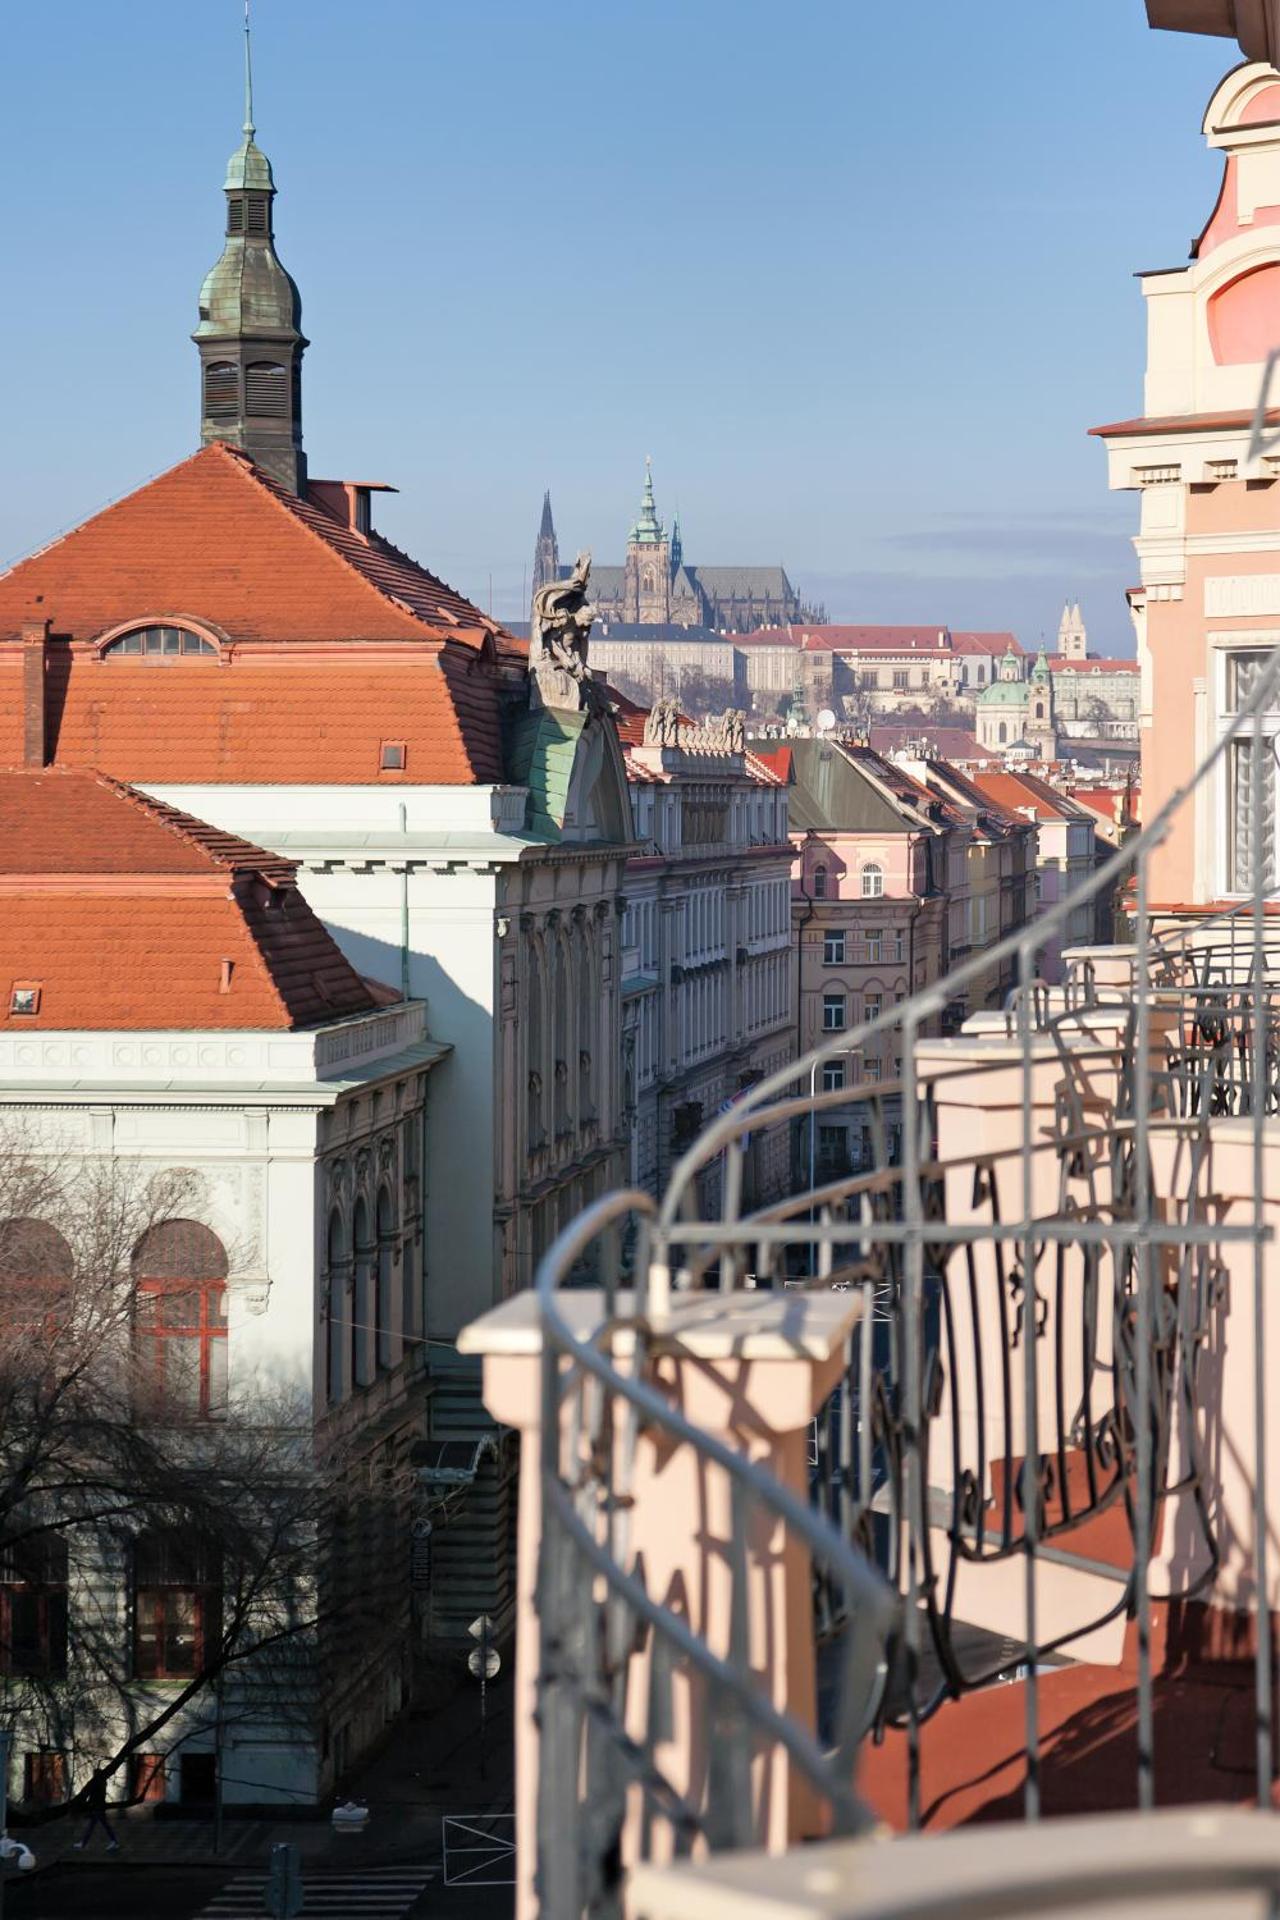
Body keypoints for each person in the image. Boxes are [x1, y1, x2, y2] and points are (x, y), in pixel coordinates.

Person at [72, 1768, 119, 1852]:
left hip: (97, 1807)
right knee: (93, 1826)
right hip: (99, 1807)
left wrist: (89, 1804)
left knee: (100, 1826)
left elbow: (94, 1796)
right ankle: (83, 1843)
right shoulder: (102, 1782)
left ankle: (114, 1841)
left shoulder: (96, 1783)